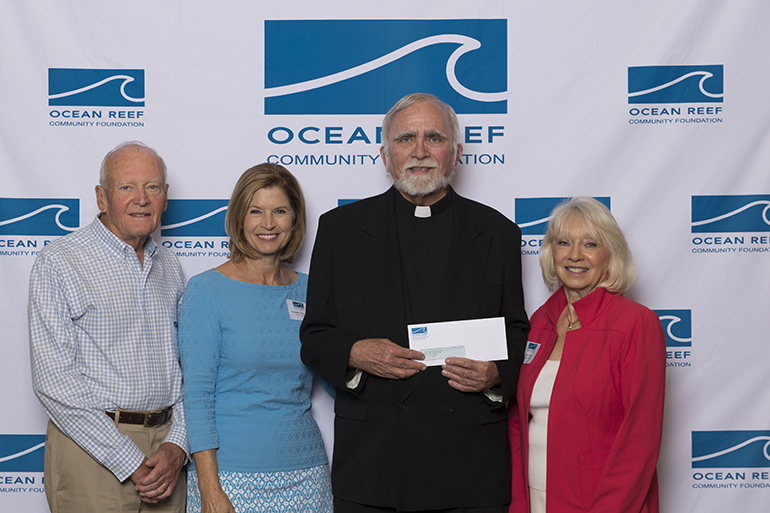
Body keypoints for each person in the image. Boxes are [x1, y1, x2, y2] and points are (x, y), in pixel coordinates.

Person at [300, 92, 530, 512]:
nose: (420, 152)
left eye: (434, 138)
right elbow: (315, 336)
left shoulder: (498, 233)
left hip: (469, 466)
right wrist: (355, 352)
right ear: (385, 155)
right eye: (406, 139)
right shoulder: (340, 231)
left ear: (456, 153)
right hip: (376, 465)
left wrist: (497, 373)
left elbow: (517, 331)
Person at [28, 141, 188, 513]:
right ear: (102, 198)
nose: (142, 199)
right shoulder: (60, 261)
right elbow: (54, 380)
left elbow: (189, 369)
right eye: (126, 187)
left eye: (153, 187)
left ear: (165, 197)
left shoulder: (171, 268)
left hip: (167, 458)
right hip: (93, 452)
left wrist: (177, 444)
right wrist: (128, 459)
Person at [179, 163, 332, 513]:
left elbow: (335, 375)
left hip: (307, 474)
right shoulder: (206, 290)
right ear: (239, 218)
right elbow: (197, 398)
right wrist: (209, 489)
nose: (268, 224)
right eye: (256, 211)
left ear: (295, 219)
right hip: (231, 478)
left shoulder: (312, 290)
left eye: (280, 211)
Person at [507, 197, 665, 513]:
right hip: (534, 499)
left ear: (610, 256)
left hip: (602, 504)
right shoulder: (539, 322)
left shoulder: (635, 323)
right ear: (552, 253)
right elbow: (516, 421)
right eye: (564, 243)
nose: (575, 255)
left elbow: (639, 439)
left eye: (590, 243)